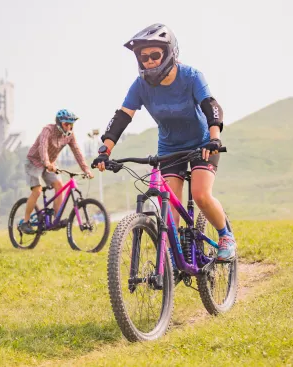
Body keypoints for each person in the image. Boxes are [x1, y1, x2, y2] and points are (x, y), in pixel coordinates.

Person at [92, 23, 235, 261]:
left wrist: (214, 138)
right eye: (143, 56)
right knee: (168, 207)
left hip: (202, 144)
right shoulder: (140, 86)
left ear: (169, 53)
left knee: (200, 195)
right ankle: (175, 256)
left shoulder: (191, 76)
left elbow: (211, 106)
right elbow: (122, 116)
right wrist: (105, 150)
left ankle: (225, 236)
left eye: (155, 55)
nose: (148, 61)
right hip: (170, 149)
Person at [19, 109, 94, 234]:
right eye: (66, 124)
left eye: (71, 124)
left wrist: (86, 169)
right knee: (37, 191)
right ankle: (25, 222)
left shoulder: (70, 135)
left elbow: (77, 151)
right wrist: (47, 163)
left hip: (50, 164)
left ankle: (55, 220)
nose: (69, 127)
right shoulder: (47, 130)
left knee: (59, 185)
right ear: (59, 123)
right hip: (34, 162)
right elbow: (42, 147)